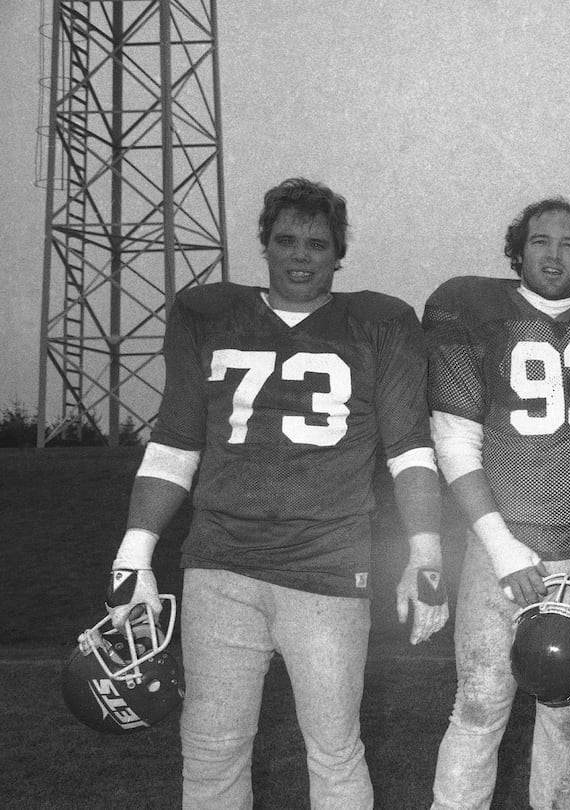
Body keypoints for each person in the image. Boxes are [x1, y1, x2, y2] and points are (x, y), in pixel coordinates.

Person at [101, 177, 449, 809]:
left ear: (339, 253)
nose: (301, 255)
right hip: (221, 567)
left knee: (335, 750)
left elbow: (410, 451)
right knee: (210, 748)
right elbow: (176, 442)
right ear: (263, 243)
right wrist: (135, 553)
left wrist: (425, 559)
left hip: (329, 573)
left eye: (318, 244)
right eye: (286, 239)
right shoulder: (209, 315)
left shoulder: (379, 324)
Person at [423, 197, 570, 810]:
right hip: (503, 541)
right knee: (479, 703)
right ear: (517, 249)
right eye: (541, 241)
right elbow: (455, 443)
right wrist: (503, 549)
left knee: (569, 708)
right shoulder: (477, 314)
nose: (554, 254)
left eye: (569, 244)